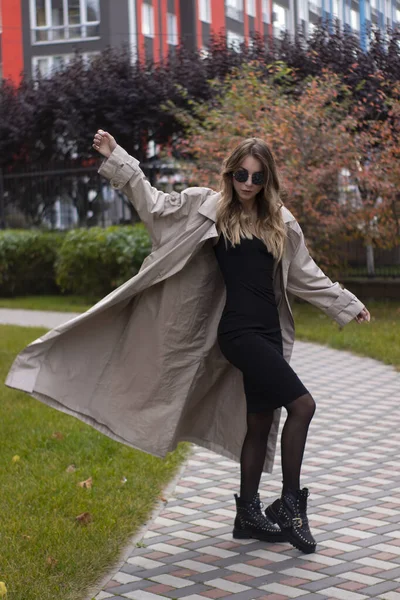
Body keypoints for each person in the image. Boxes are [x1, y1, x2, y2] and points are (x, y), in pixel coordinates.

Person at [90, 130, 371, 554]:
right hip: (237, 332)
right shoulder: (210, 209)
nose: (247, 183)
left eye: (257, 177)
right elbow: (153, 204)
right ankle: (291, 506)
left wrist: (345, 303)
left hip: (268, 334)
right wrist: (118, 159)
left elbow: (304, 274)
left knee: (259, 423)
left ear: (267, 180)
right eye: (241, 174)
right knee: (303, 405)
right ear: (230, 172)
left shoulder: (280, 221)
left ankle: (248, 514)